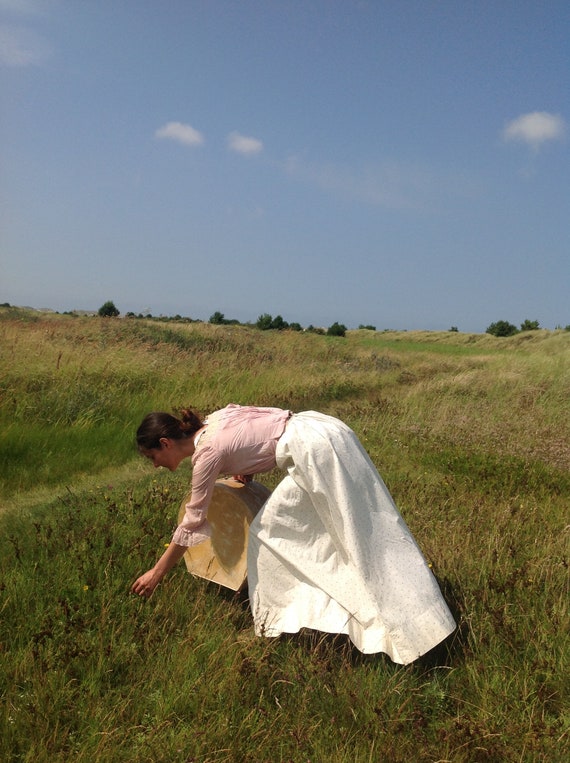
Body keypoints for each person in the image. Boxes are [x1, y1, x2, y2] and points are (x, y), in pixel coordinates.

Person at [132, 403, 456, 665]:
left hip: (314, 451)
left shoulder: (205, 455)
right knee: (355, 534)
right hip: (325, 430)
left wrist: (157, 573)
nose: (156, 465)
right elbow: (266, 427)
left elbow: (193, 520)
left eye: (153, 458)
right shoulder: (217, 419)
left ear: (165, 443)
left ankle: (277, 627)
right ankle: (411, 616)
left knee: (290, 538)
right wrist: (248, 466)